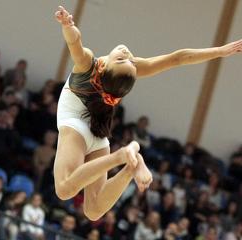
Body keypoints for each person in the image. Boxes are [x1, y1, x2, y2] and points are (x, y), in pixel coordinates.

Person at [53, 5, 242, 220]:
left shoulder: (89, 64)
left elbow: (74, 43)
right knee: (94, 210)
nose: (128, 55)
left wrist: (68, 25)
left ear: (105, 69)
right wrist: (220, 51)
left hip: (77, 127)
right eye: (129, 60)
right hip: (98, 135)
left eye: (125, 60)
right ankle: (130, 165)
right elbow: (178, 58)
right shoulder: (111, 70)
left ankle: (122, 156)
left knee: (64, 189)